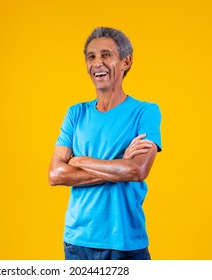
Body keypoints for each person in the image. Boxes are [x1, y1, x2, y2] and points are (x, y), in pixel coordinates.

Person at [48, 27, 162, 260]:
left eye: (106, 55)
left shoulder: (145, 112)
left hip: (126, 241)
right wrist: (120, 165)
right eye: (91, 57)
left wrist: (80, 161)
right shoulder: (75, 113)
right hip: (77, 241)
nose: (97, 63)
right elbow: (56, 174)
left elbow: (137, 170)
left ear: (125, 62)